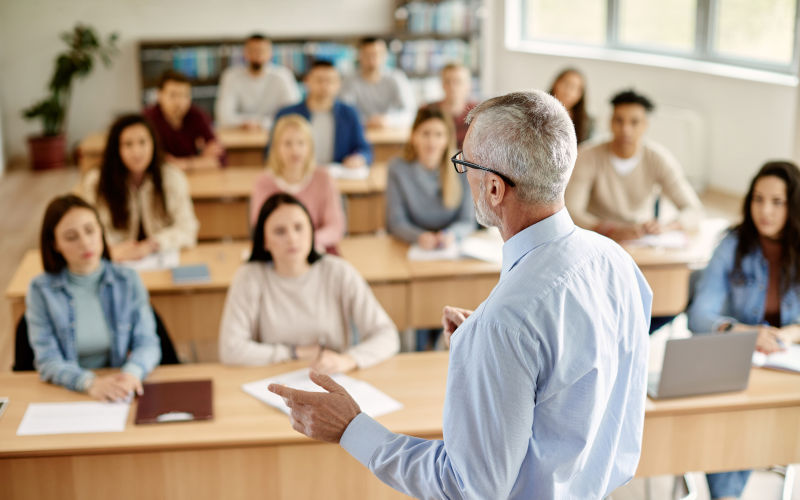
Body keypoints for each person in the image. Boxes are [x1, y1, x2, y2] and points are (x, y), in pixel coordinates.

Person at [269, 91, 652, 499]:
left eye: (464, 164)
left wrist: (351, 429)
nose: (461, 174)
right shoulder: (616, 261)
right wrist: (494, 354)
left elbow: (466, 488)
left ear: (493, 189)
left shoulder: (507, 322)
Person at [688, 161, 800, 500]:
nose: (765, 211)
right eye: (758, 199)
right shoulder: (731, 245)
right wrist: (742, 331)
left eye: (777, 202)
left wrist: (791, 333)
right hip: (743, 366)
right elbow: (699, 316)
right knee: (731, 428)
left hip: (789, 366)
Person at [219, 193, 399, 371]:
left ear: (311, 231)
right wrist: (293, 353)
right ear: (265, 241)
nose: (292, 238)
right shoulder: (249, 276)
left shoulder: (338, 271)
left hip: (332, 378)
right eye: (280, 231)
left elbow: (387, 335)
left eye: (299, 227)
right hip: (273, 378)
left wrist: (348, 360)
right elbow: (230, 349)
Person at [25, 194, 161, 400]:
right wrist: (89, 383)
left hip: (120, 387)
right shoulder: (40, 290)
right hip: (70, 390)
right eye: (71, 237)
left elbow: (148, 342)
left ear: (101, 231)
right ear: (55, 244)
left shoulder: (128, 280)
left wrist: (131, 373)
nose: (85, 242)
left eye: (90, 230)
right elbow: (48, 361)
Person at [387, 107, 476, 351]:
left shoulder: (461, 167)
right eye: (425, 133)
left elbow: (467, 220)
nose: (431, 141)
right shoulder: (398, 168)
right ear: (414, 136)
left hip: (449, 252)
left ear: (447, 137)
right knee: (417, 314)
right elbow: (395, 221)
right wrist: (419, 237)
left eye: (438, 134)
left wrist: (450, 235)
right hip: (412, 252)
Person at [565, 89, 703, 242]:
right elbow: (571, 211)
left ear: (645, 125)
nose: (626, 130)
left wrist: (666, 227)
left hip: (641, 238)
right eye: (619, 121)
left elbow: (694, 210)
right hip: (597, 236)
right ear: (610, 123)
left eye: (634, 122)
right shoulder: (587, 155)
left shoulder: (658, 158)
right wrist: (609, 229)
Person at [79, 114, 199, 262]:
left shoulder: (172, 177)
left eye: (143, 142)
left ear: (153, 144)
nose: (136, 152)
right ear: (116, 149)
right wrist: (113, 250)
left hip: (159, 257)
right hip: (114, 258)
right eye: (128, 144)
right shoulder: (96, 182)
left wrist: (152, 244)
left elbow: (187, 228)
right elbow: (88, 229)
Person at [250, 114, 345, 250]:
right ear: (276, 148)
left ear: (310, 147)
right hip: (278, 252)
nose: (295, 150)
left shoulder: (323, 178)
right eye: (288, 144)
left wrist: (305, 242)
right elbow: (260, 229)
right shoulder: (263, 183)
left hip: (317, 248)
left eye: (301, 143)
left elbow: (335, 228)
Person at [271, 59, 372, 168]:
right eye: (319, 80)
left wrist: (359, 158)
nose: (324, 86)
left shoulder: (349, 113)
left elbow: (365, 149)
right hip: (297, 175)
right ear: (307, 81)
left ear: (338, 84)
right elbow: (271, 152)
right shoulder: (286, 114)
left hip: (337, 175)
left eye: (330, 81)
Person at [215, 33, 300, 130]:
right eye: (252, 50)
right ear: (245, 53)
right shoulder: (231, 76)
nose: (257, 55)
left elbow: (292, 114)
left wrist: (261, 124)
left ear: (270, 53)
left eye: (261, 50)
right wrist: (247, 123)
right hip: (239, 134)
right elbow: (223, 116)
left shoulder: (283, 76)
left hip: (276, 133)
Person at [143, 70, 225, 169]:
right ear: (159, 95)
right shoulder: (148, 119)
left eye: (184, 95)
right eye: (173, 95)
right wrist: (200, 161)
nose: (179, 102)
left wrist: (183, 164)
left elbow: (220, 158)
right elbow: (154, 162)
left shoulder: (196, 116)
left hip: (195, 178)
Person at [340, 37, 416, 129]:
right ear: (359, 56)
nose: (372, 60)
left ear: (385, 55)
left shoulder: (397, 78)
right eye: (367, 55)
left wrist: (388, 120)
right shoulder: (350, 81)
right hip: (360, 131)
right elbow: (343, 112)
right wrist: (367, 121)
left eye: (376, 54)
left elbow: (410, 112)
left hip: (392, 132)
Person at [423, 62, 477, 149]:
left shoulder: (479, 113)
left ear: (468, 85)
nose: (452, 86)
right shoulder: (427, 111)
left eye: (457, 81)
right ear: (442, 84)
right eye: (447, 81)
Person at [548, 67, 593, 143]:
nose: (568, 91)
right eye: (566, 84)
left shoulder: (587, 123)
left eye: (574, 87)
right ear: (555, 84)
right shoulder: (535, 110)